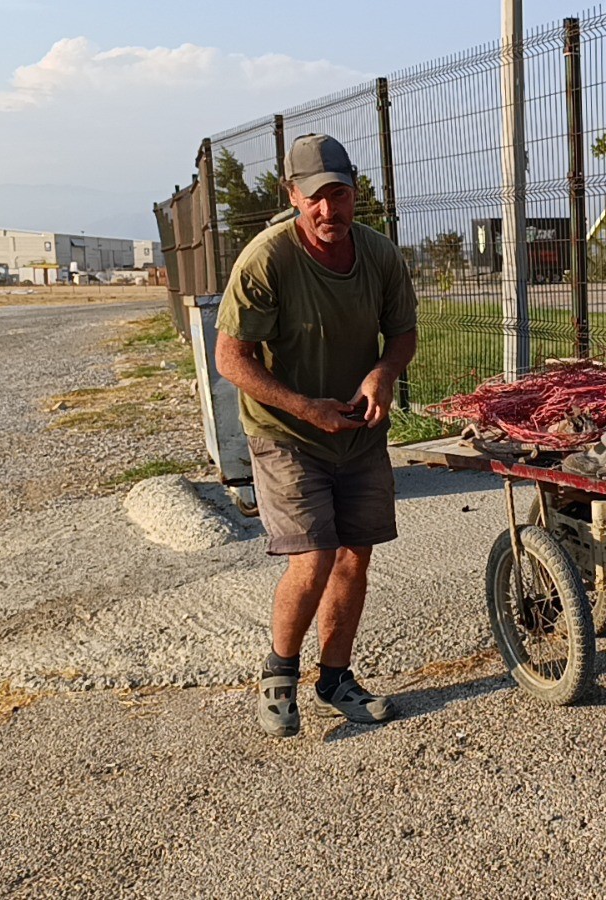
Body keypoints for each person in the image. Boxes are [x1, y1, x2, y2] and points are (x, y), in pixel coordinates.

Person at [215, 133, 418, 738]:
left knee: (356, 555)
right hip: (288, 434)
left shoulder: (379, 256)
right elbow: (231, 358)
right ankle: (280, 675)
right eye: (318, 198)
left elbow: (402, 334)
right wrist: (306, 407)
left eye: (341, 196)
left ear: (356, 194)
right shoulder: (267, 258)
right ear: (294, 195)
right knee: (314, 557)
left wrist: (382, 373)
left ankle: (336, 679)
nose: (330, 211)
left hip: (357, 433)